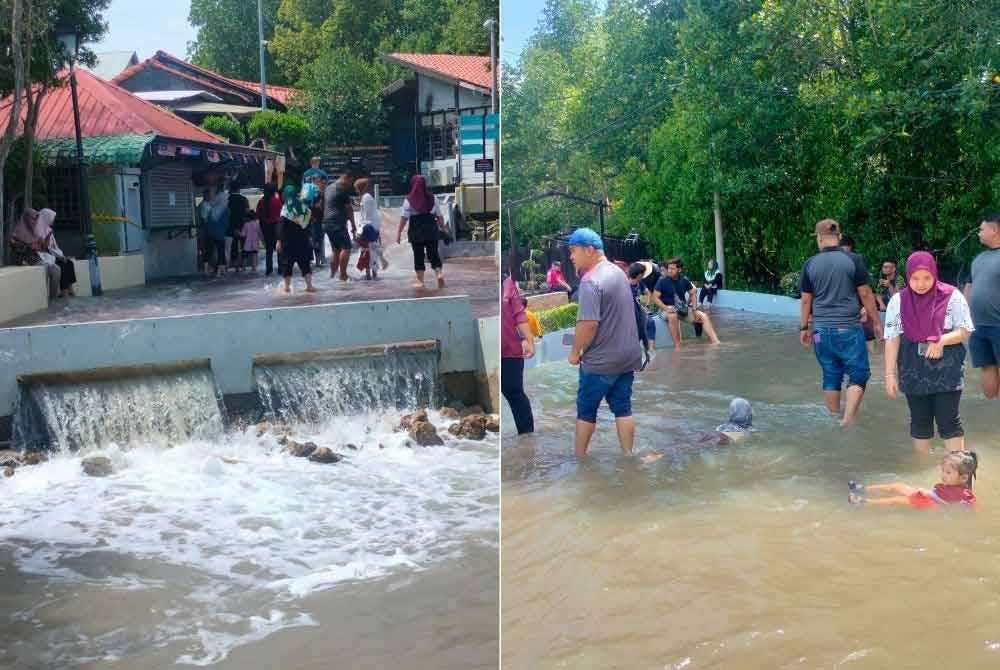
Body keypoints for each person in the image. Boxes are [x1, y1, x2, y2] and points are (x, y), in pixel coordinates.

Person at [884, 251, 974, 453]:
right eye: (915, 278)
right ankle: (923, 472)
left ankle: (958, 473)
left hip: (947, 369)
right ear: (908, 277)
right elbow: (892, 338)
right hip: (911, 368)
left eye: (926, 277)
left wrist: (942, 340)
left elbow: (965, 330)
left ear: (934, 274)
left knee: (949, 421)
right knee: (919, 422)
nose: (921, 283)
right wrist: (889, 374)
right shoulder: (898, 301)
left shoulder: (953, 296)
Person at [565, 228, 644, 457]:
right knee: (623, 408)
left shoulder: (590, 282)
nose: (571, 256)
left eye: (573, 251)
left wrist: (574, 352)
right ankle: (628, 455)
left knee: (586, 411)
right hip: (628, 358)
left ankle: (579, 459)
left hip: (600, 362)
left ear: (589, 250)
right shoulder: (618, 272)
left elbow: (588, 325)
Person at [799, 219, 881, 425]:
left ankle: (835, 417)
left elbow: (806, 299)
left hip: (819, 332)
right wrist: (876, 321)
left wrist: (804, 328)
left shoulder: (810, 264)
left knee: (830, 372)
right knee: (859, 373)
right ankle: (847, 419)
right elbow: (865, 293)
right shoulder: (853, 260)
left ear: (819, 238)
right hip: (848, 329)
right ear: (840, 237)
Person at [641, 397, 754, 463]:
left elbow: (714, 440)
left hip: (721, 437)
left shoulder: (725, 427)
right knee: (695, 444)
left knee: (695, 443)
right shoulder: (748, 431)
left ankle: (660, 454)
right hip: (724, 439)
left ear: (732, 413)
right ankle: (661, 454)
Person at [848, 451, 977, 507]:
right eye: (943, 471)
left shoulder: (965, 495)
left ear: (964, 477)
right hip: (929, 495)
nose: (943, 475)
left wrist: (930, 495)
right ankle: (863, 488)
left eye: (948, 472)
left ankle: (864, 502)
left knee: (896, 500)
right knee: (897, 486)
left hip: (931, 503)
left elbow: (954, 506)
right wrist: (928, 493)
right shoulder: (950, 484)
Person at [964, 213, 1000, 400]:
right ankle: (992, 412)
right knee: (986, 366)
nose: (978, 233)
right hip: (978, 326)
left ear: (994, 230)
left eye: (981, 229)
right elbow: (969, 287)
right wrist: (963, 318)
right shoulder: (978, 258)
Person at [652, 258, 722, 346]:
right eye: (669, 268)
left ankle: (716, 342)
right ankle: (678, 346)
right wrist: (666, 308)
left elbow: (693, 292)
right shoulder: (662, 281)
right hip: (665, 309)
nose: (669, 271)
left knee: (703, 316)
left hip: (681, 309)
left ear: (679, 269)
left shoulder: (684, 279)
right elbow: (655, 298)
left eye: (672, 269)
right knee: (673, 316)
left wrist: (694, 309)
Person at [9, 208, 77, 298]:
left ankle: (53, 298)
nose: (35, 221)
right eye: (33, 218)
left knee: (56, 269)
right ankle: (52, 297)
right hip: (27, 261)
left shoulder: (34, 231)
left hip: (40, 259)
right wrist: (31, 246)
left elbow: (44, 248)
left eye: (36, 219)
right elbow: (15, 247)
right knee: (55, 267)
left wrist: (42, 242)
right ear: (26, 218)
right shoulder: (17, 232)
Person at [397, 174, 448, 289]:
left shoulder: (409, 200)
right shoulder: (433, 198)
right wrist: (444, 228)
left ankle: (420, 281)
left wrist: (399, 233)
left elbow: (404, 218)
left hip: (416, 230)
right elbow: (439, 216)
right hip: (431, 228)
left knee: (418, 255)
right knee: (433, 254)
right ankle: (439, 274)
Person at [501, 276, 536, 434]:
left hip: (510, 348)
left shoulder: (507, 283)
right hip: (493, 346)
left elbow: (519, 314)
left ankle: (527, 437)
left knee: (514, 392)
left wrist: (528, 340)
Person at [276, 185, 316, 294]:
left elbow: (281, 227)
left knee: (287, 265)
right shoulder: (304, 208)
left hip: (288, 242)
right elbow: (308, 225)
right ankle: (309, 286)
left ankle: (286, 288)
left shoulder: (286, 209)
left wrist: (279, 241)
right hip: (302, 241)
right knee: (305, 264)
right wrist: (310, 237)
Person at [323, 170, 358, 281]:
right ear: (346, 177)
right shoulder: (342, 189)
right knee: (346, 247)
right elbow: (349, 209)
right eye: (351, 181)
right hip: (337, 223)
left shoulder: (328, 188)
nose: (350, 184)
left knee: (336, 250)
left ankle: (332, 276)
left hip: (327, 223)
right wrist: (353, 225)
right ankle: (343, 275)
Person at [355, 178, 388, 271]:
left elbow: (366, 215)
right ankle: (380, 262)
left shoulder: (366, 198)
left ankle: (380, 262)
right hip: (372, 225)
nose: (356, 190)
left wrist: (359, 229)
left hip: (369, 225)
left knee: (367, 246)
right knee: (373, 245)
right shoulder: (367, 196)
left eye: (357, 188)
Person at [256, 182, 282, 276]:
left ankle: (269, 270)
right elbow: (280, 214)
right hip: (276, 227)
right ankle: (280, 269)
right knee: (279, 249)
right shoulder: (276, 201)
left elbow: (258, 215)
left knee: (269, 250)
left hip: (265, 227)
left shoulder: (261, 201)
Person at [628, 262, 656, 343]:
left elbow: (649, 294)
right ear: (639, 275)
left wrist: (647, 305)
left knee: (651, 322)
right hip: (632, 315)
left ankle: (651, 349)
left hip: (641, 312)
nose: (644, 275)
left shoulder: (640, 283)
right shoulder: (625, 286)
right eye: (643, 273)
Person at [204, 187, 229, 275]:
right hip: (220, 233)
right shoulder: (225, 210)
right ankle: (220, 271)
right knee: (221, 251)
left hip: (210, 232)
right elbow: (226, 223)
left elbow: (207, 220)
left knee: (208, 250)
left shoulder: (211, 208)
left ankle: (206, 269)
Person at [227, 180, 249, 271]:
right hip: (242, 225)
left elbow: (226, 213)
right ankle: (243, 265)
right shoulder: (244, 199)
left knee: (234, 245)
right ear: (239, 189)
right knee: (244, 245)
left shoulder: (227, 199)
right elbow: (247, 211)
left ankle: (235, 266)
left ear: (231, 189)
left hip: (231, 225)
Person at [308, 176, 327, 267]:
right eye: (315, 181)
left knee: (317, 240)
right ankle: (317, 260)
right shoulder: (312, 192)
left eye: (317, 182)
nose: (316, 184)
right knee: (315, 240)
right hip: (314, 219)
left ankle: (319, 260)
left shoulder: (320, 193)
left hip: (317, 219)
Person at [242, 209, 262, 273]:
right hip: (255, 243)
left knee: (245, 256)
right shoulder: (257, 224)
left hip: (247, 244)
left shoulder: (246, 224)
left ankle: (244, 268)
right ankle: (254, 268)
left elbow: (243, 234)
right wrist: (262, 240)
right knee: (254, 255)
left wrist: (238, 233)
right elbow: (260, 233)